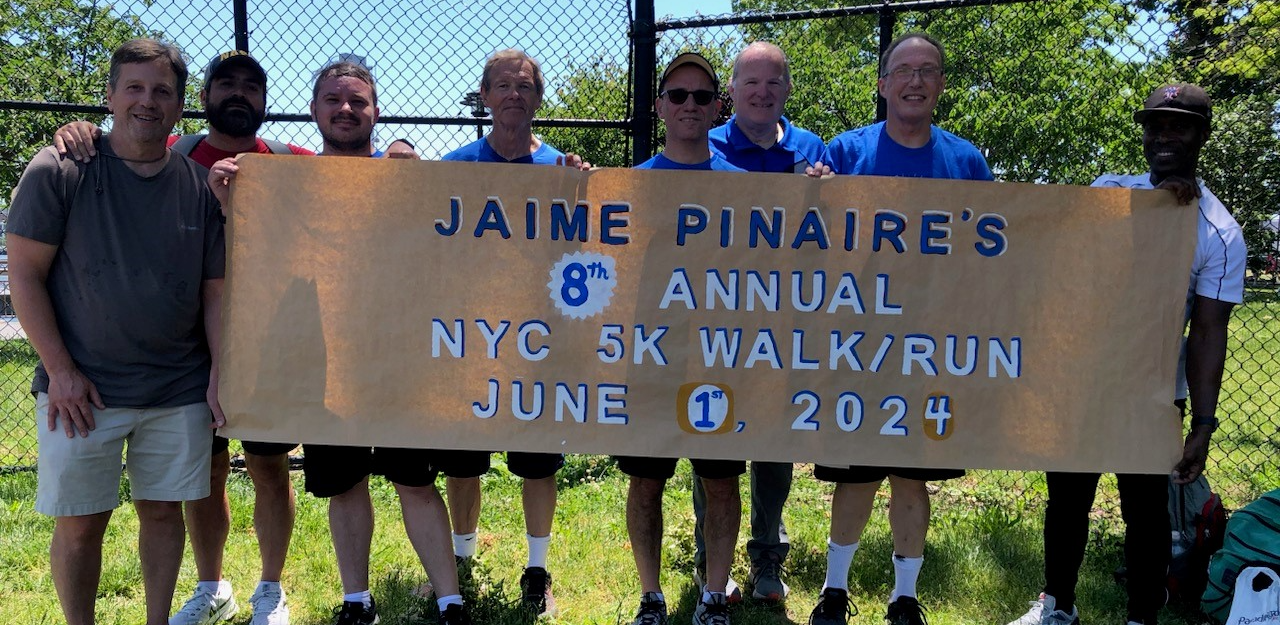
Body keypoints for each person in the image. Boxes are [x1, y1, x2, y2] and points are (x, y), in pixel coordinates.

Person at [52, 49, 310, 625]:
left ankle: (271, 588)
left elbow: (357, 189)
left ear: (266, 102)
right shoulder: (178, 153)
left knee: (270, 467)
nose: (239, 94)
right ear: (205, 97)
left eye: (252, 86)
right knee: (205, 476)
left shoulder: (293, 160)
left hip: (270, 346)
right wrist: (79, 130)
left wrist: (398, 155)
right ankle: (212, 584)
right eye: (227, 84)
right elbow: (118, 145)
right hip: (192, 354)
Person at [208, 60, 469, 625]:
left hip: (399, 358)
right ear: (314, 110)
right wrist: (234, 204)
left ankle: (450, 600)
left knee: (416, 483)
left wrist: (407, 157)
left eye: (358, 101)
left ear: (376, 111)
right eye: (333, 100)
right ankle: (357, 601)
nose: (345, 110)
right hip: (321, 359)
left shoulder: (405, 176)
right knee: (344, 483)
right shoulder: (284, 179)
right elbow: (260, 261)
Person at [1006, 83, 1245, 625]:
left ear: (1201, 136)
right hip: (1081, 384)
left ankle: (1142, 613)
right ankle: (1057, 604)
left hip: (1153, 391)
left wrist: (1203, 424)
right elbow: (1061, 262)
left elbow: (1208, 333)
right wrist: (1156, 209)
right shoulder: (1110, 190)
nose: (1164, 137)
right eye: (1155, 126)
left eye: (1178, 126)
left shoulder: (1220, 232)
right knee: (1067, 501)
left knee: (1145, 510)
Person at [7, 38, 226, 625]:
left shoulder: (198, 187)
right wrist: (60, 372)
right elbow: (24, 276)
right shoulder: (59, 169)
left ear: (181, 107)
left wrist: (218, 376)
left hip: (177, 388)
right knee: (80, 526)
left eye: (162, 91)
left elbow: (214, 293)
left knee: (162, 514)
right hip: (82, 392)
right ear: (109, 95)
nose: (146, 102)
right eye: (134, 87)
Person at [809, 32, 993, 625]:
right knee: (857, 470)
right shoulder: (844, 152)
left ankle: (904, 597)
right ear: (883, 84)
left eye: (928, 70)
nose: (915, 81)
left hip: (930, 342)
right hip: (858, 338)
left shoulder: (966, 162)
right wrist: (814, 192)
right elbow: (811, 237)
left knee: (913, 472)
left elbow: (994, 250)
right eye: (903, 71)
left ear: (941, 85)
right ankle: (834, 591)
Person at [434, 48, 588, 617]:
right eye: (502, 85)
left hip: (539, 340)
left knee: (537, 462)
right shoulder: (455, 168)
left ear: (537, 98)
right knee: (462, 461)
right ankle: (463, 561)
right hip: (470, 337)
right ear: (485, 96)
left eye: (524, 86)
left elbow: (584, 247)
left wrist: (583, 190)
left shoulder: (562, 171)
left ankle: (537, 569)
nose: (513, 96)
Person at [691, 41, 831, 604]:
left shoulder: (811, 152)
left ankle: (768, 558)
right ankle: (711, 560)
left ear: (788, 90)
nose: (762, 92)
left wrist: (827, 192)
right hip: (713, 318)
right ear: (731, 92)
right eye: (750, 82)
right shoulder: (703, 145)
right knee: (713, 437)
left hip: (783, 323)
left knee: (774, 440)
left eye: (773, 82)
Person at [623, 52, 746, 625]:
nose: (690, 106)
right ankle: (651, 596)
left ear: (718, 107)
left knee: (720, 484)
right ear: (660, 106)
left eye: (702, 97)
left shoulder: (747, 188)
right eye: (678, 95)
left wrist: (814, 194)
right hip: (651, 354)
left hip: (720, 353)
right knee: (646, 482)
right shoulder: (630, 186)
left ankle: (714, 596)